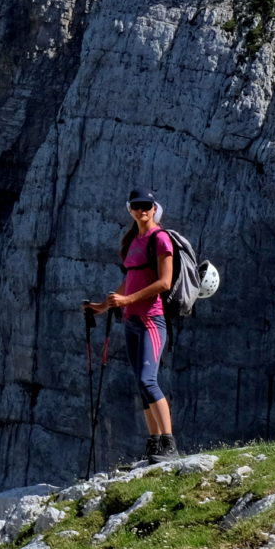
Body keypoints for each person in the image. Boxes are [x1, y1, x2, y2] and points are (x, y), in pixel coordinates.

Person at [86, 189, 178, 461]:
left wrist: (127, 299)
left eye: (146, 206)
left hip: (152, 319)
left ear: (154, 208)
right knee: (141, 384)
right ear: (129, 209)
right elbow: (130, 280)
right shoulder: (133, 241)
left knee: (148, 380)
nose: (142, 210)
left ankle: (168, 444)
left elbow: (165, 282)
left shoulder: (160, 239)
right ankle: (154, 445)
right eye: (136, 206)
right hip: (131, 320)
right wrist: (103, 307)